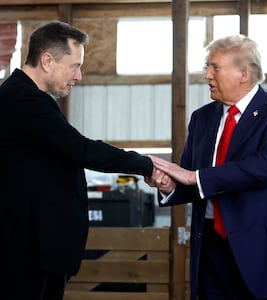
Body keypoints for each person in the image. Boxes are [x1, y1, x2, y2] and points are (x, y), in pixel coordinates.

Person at [0, 20, 173, 300]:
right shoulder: (22, 99)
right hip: (27, 251)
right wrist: (149, 165)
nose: (79, 76)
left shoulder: (30, 98)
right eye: (75, 65)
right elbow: (81, 150)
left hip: (36, 248)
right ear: (47, 60)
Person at [147, 35, 267, 300]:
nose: (206, 75)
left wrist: (194, 177)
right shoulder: (201, 118)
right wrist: (169, 184)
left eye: (215, 67)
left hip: (266, 251)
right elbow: (192, 178)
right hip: (211, 248)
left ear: (244, 73)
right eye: (207, 67)